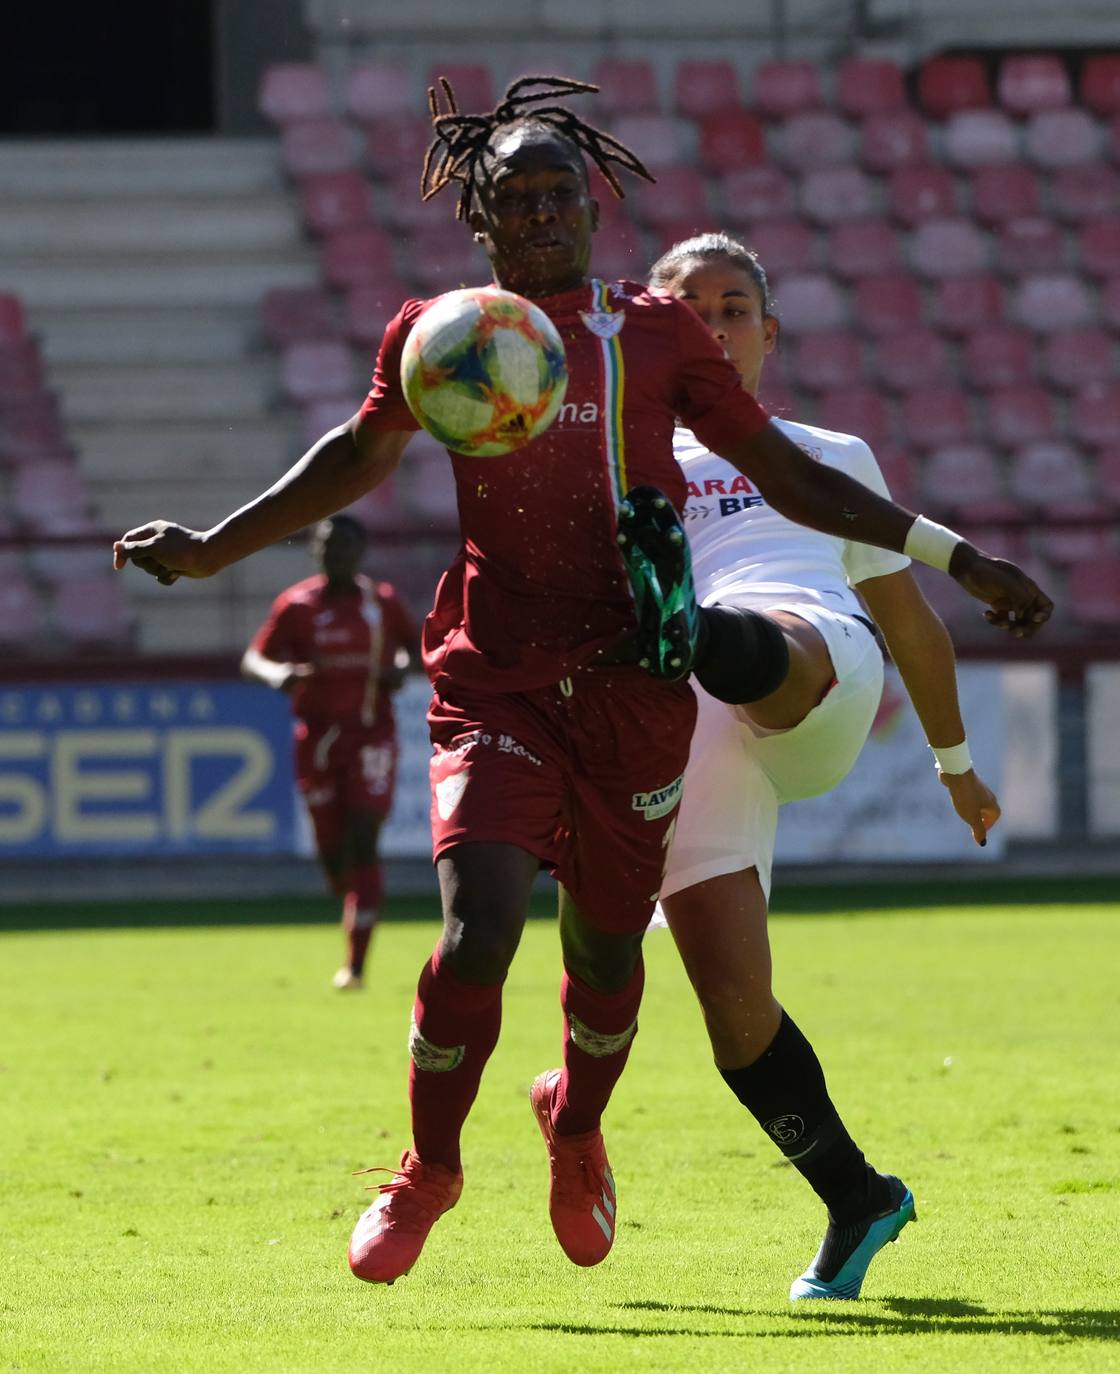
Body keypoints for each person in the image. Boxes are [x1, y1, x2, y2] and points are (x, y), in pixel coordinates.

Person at [112, 76, 1051, 1288]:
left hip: (637, 690)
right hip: (494, 676)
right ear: (482, 219)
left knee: (609, 960)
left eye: (564, 194)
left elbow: (783, 472)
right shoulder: (442, 335)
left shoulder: (653, 332)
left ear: (593, 211)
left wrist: (957, 557)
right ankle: (427, 1170)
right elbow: (355, 456)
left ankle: (578, 1131)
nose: (546, 213)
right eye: (520, 197)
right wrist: (212, 545)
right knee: (475, 929)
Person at [620, 231, 1003, 1299]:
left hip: (818, 670)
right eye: (687, 309)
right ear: (652, 335)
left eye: (733, 307)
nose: (714, 325)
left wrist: (954, 763)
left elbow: (910, 622)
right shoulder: (616, 464)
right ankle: (857, 1196)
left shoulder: (827, 455)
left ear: (768, 335)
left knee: (746, 629)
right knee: (734, 1009)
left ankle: (692, 628)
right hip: (691, 720)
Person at [241, 514, 418, 991]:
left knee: (365, 837)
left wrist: (401, 666)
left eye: (345, 546)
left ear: (360, 552)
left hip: (371, 736)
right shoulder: (296, 605)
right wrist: (276, 675)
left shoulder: (381, 604)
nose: (336, 554)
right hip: (317, 742)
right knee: (334, 855)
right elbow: (253, 657)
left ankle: (356, 966)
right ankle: (350, 894)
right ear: (316, 552)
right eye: (328, 546)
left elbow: (415, 648)